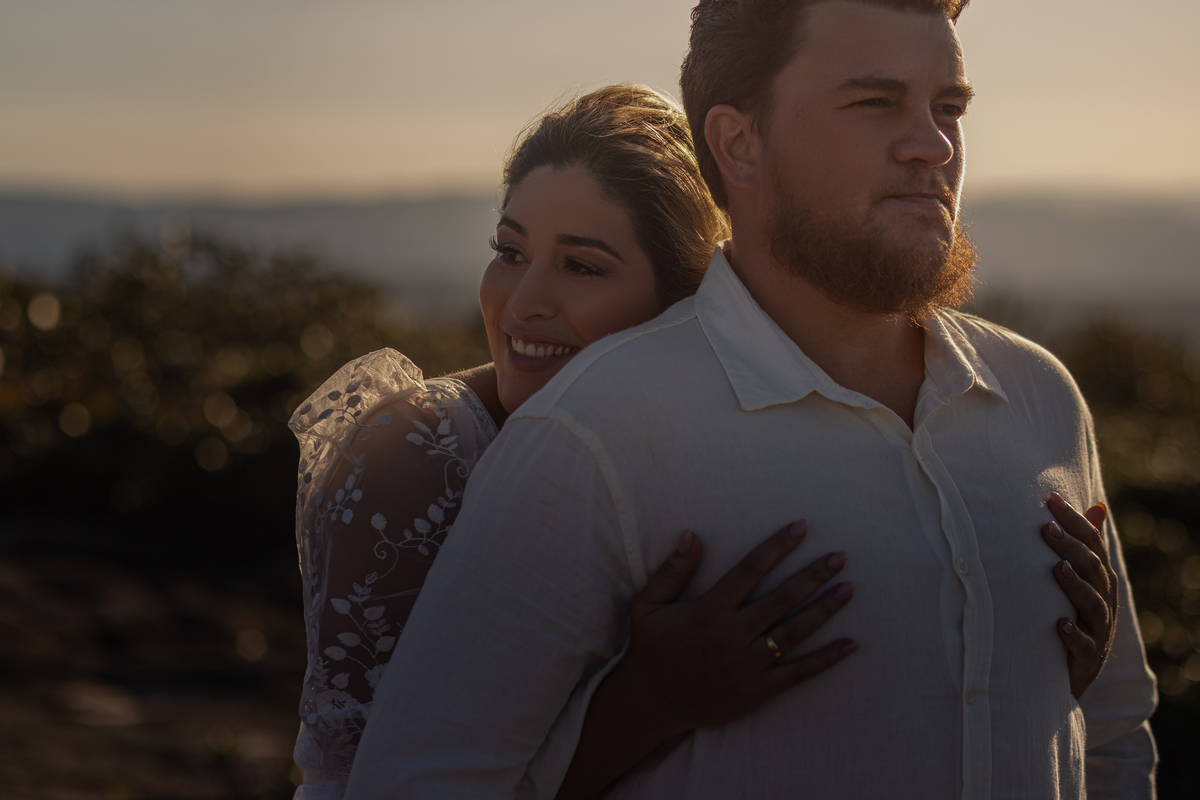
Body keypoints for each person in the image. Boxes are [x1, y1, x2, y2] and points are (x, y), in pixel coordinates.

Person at [345, 2, 1156, 799]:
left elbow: (1116, 739)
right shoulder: (597, 431)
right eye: (875, 103)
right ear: (739, 143)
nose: (934, 145)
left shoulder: (1040, 399)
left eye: (948, 107)